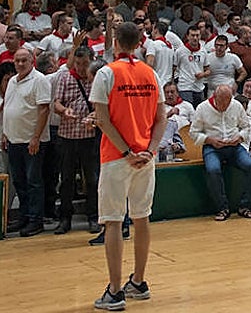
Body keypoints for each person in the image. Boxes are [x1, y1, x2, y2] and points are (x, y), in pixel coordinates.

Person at [90, 22, 166, 310]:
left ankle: (115, 290)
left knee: (112, 221)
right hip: (145, 159)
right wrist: (148, 150)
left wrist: (127, 151)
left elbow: (102, 119)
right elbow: (161, 119)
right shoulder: (151, 73)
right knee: (141, 217)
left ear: (115, 42)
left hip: (116, 158)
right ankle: (139, 281)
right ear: (139, 43)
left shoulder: (106, 73)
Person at [188, 84, 251, 221]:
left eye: (228, 102)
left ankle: (244, 206)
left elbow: (246, 126)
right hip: (212, 147)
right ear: (215, 97)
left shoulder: (236, 105)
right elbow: (193, 133)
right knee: (213, 169)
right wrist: (209, 140)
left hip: (234, 147)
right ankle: (222, 208)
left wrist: (240, 137)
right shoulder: (202, 108)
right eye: (222, 103)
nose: (225, 106)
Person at [3, 47, 52, 237]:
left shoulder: (39, 80)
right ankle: (24, 216)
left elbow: (43, 110)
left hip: (32, 141)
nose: (21, 64)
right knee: (19, 181)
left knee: (33, 182)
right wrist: (5, 133)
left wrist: (36, 137)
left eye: (24, 60)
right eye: (17, 61)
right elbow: (9, 108)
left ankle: (35, 220)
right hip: (14, 139)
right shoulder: (13, 81)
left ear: (32, 61)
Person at [51, 45, 99, 234]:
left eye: (84, 64)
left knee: (93, 179)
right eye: (78, 64)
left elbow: (103, 105)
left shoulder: (97, 78)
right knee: (67, 180)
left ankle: (94, 217)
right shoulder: (65, 77)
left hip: (90, 137)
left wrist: (94, 116)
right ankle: (65, 218)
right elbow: (56, 103)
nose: (80, 68)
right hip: (67, 136)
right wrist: (64, 111)